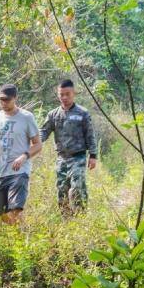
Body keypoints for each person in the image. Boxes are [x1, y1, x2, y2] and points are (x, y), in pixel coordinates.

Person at [0, 83, 41, 225]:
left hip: (19, 172)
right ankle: (22, 232)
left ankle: (20, 242)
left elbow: (38, 144)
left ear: (15, 98)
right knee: (1, 212)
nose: (4, 103)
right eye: (1, 99)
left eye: (7, 99)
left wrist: (24, 156)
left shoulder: (26, 117)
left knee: (15, 209)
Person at [39, 78, 98, 214]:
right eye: (61, 94)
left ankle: (81, 216)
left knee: (77, 188)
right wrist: (35, 142)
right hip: (61, 158)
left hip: (78, 157)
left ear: (73, 93)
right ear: (58, 95)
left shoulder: (82, 113)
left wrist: (93, 155)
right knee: (62, 189)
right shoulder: (53, 115)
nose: (64, 97)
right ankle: (66, 218)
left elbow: (90, 135)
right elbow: (44, 132)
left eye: (67, 94)